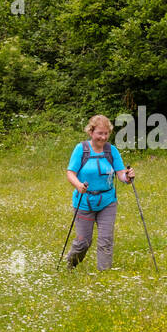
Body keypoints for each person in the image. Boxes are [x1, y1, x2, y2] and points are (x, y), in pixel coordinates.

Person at [64, 115, 135, 271]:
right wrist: (78, 185)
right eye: (100, 133)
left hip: (107, 201)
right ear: (91, 132)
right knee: (83, 242)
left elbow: (121, 173)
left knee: (106, 240)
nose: (103, 137)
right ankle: (71, 265)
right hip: (84, 201)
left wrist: (128, 177)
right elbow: (70, 173)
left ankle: (104, 273)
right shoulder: (81, 149)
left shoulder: (111, 151)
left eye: (106, 133)